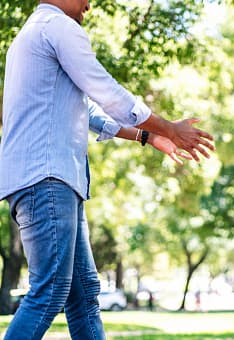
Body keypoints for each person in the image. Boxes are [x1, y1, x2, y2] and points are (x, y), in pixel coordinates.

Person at [0, 1, 214, 339]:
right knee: (51, 290)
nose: (88, 5)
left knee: (84, 294)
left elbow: (90, 112)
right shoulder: (58, 28)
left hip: (48, 179)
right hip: (48, 178)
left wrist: (148, 135)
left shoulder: (31, 34)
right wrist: (171, 128)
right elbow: (109, 94)